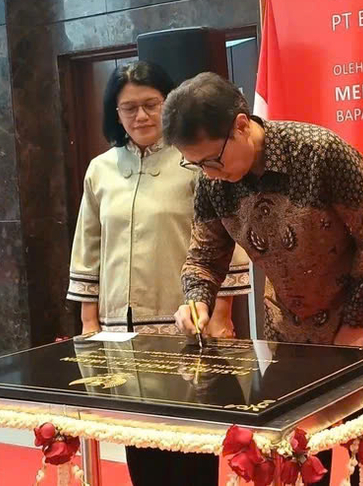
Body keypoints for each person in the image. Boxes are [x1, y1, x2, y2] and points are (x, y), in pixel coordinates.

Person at [163, 72, 363, 486]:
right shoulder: (214, 184)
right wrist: (198, 301)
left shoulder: (320, 154)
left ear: (241, 125)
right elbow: (204, 255)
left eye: (213, 160)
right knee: (299, 455)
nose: (209, 172)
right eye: (196, 163)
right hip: (289, 331)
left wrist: (354, 324)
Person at [66, 61, 250, 485]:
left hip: (185, 325)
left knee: (189, 441)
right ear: (115, 113)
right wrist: (88, 322)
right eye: (128, 108)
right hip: (119, 333)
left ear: (168, 104)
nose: (140, 116)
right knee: (140, 442)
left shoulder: (194, 161)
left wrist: (222, 315)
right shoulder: (101, 170)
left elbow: (225, 243)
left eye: (150, 104)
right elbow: (87, 246)